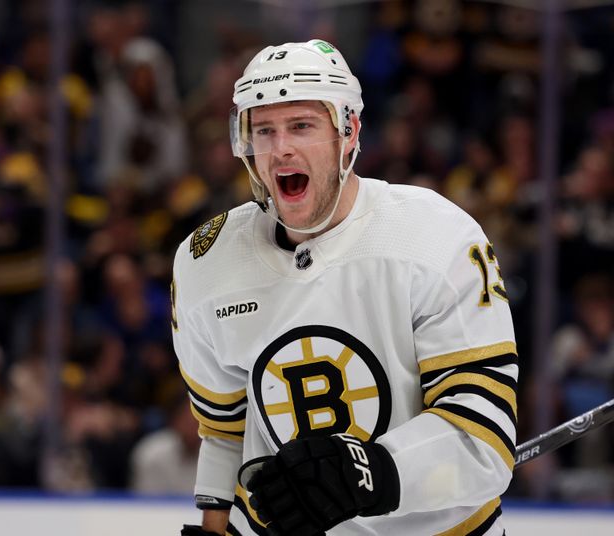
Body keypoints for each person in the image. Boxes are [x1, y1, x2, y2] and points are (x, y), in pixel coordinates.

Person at [171, 40, 518, 536]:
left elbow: (481, 439)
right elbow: (225, 429)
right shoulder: (206, 262)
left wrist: (369, 473)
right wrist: (213, 527)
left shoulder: (437, 236)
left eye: (301, 126)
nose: (280, 147)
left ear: (348, 132)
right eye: (264, 130)